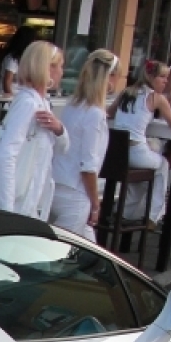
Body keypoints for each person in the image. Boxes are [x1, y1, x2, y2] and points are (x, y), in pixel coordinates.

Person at [0, 40, 68, 220]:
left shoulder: (44, 103)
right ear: (47, 68)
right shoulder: (27, 103)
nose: (62, 73)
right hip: (17, 204)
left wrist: (59, 129)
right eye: (60, 66)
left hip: (29, 202)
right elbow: (7, 155)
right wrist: (7, 210)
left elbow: (63, 149)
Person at [50, 49, 119, 240]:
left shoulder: (72, 105)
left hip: (57, 181)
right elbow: (88, 166)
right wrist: (96, 205)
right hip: (76, 192)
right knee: (59, 252)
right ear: (109, 77)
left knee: (89, 250)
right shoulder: (95, 114)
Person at [112, 60, 171, 228]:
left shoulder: (126, 92)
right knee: (163, 165)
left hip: (117, 153)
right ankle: (154, 216)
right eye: (163, 77)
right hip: (136, 152)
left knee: (144, 175)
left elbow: (110, 113)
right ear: (151, 77)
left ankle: (124, 212)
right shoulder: (156, 98)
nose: (166, 81)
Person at [0, 26, 37, 95]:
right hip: (5, 98)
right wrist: (11, 98)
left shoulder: (25, 59)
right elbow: (7, 81)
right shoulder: (12, 59)